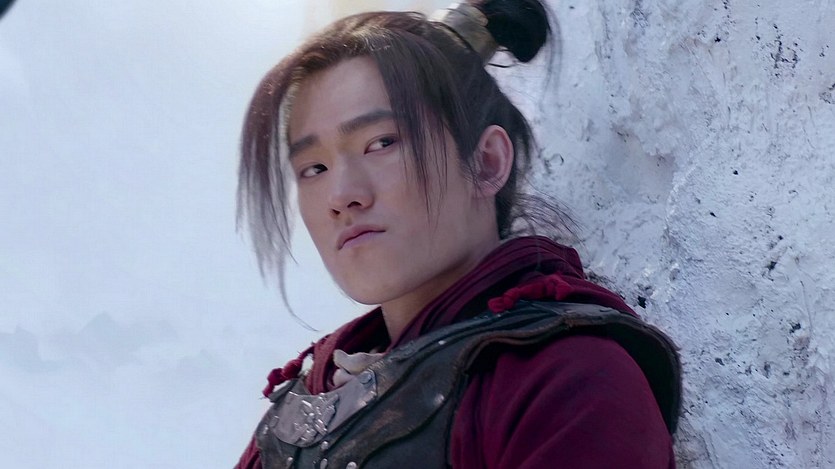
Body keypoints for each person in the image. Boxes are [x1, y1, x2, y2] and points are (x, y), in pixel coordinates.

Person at [234, 1, 681, 468]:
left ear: (486, 162)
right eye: (314, 168)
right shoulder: (307, 404)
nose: (341, 195)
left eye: (381, 143)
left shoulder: (569, 381)